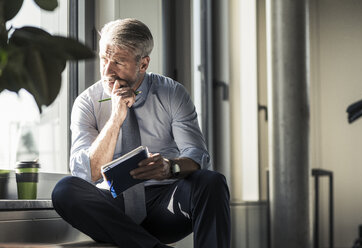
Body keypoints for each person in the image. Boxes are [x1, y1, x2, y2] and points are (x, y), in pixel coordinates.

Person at [52, 18, 230, 248]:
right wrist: (116, 118)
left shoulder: (171, 93)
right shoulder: (87, 103)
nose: (107, 70)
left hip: (165, 206)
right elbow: (88, 172)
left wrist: (170, 167)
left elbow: (198, 156)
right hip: (112, 214)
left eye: (118, 62)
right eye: (104, 59)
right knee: (65, 190)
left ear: (143, 64)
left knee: (212, 182)